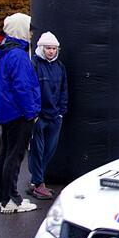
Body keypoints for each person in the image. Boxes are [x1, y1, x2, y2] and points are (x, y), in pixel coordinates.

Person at [0, 13, 41, 214]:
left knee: (6, 154)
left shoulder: (5, 52)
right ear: (22, 29)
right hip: (19, 113)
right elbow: (23, 86)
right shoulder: (19, 55)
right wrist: (31, 112)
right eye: (29, 28)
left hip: (7, 111)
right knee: (15, 155)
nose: (31, 33)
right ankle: (11, 199)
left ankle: (1, 198)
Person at [27, 32, 68, 200]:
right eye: (48, 48)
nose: (51, 51)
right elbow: (31, 89)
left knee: (49, 150)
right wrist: (35, 113)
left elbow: (64, 89)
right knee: (37, 150)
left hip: (55, 115)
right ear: (41, 48)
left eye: (53, 48)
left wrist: (61, 112)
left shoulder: (60, 66)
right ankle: (37, 183)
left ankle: (37, 181)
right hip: (40, 116)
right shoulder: (35, 64)